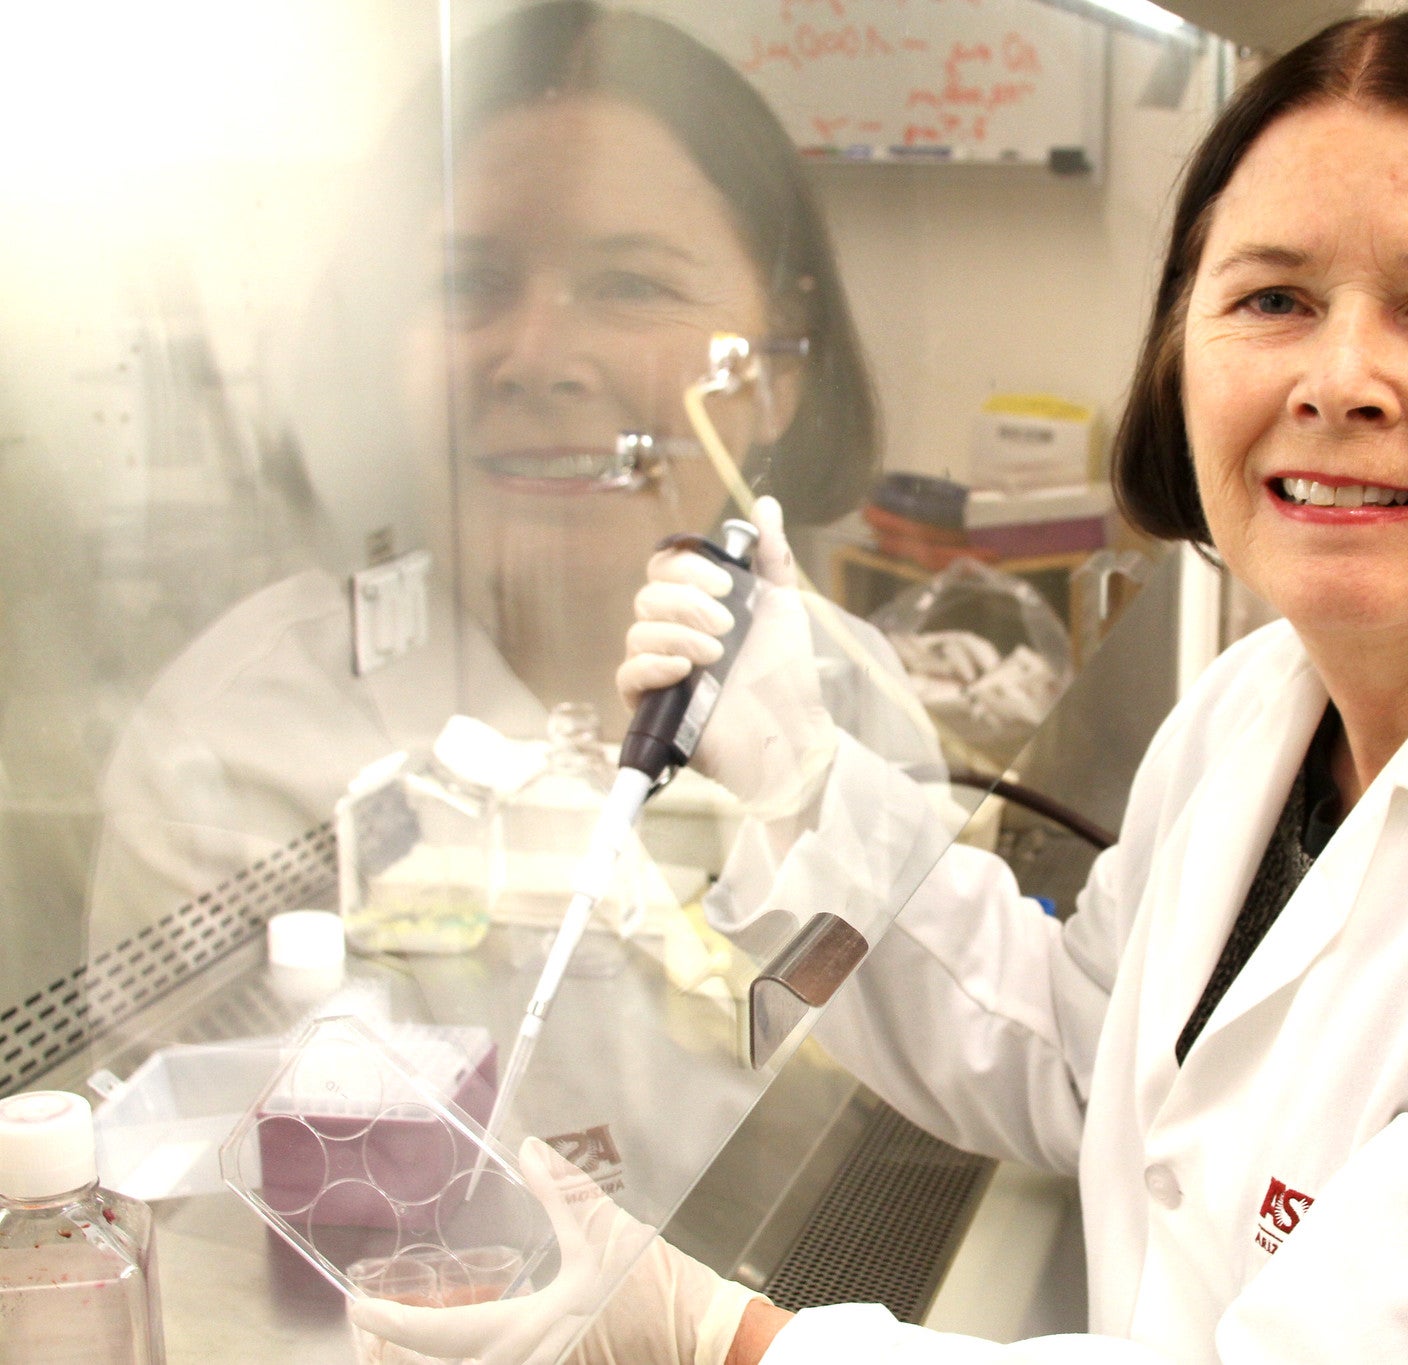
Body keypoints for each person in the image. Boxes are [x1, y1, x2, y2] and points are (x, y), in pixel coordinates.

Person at [358, 6, 1408, 1364]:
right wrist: (809, 788)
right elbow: (1078, 1056)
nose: (1336, 379)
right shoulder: (1264, 707)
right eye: (1271, 299)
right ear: (1185, 355)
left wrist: (709, 1334)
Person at [87, 0, 903, 949]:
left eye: (630, 284)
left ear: (781, 366)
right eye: (467, 284)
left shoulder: (849, 704)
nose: (537, 357)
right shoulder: (232, 748)